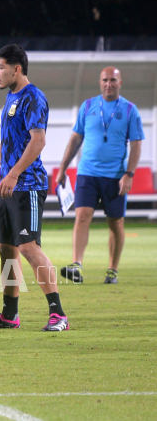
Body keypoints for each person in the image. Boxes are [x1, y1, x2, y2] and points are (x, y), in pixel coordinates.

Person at [0, 44, 69, 332]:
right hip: (9, 185)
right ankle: (9, 314)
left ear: (17, 68)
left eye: (0, 67)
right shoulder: (12, 97)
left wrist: (14, 173)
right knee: (7, 250)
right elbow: (10, 138)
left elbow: (37, 140)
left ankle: (58, 314)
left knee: (29, 247)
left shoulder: (33, 97)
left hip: (28, 185)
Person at [57, 67, 144, 284]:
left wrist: (129, 174)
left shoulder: (130, 110)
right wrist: (63, 168)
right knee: (82, 216)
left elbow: (136, 145)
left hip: (115, 175)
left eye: (113, 80)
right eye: (105, 80)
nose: (109, 84)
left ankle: (112, 270)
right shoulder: (88, 106)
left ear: (120, 82)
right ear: (99, 82)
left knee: (115, 223)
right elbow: (75, 140)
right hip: (87, 173)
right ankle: (77, 265)